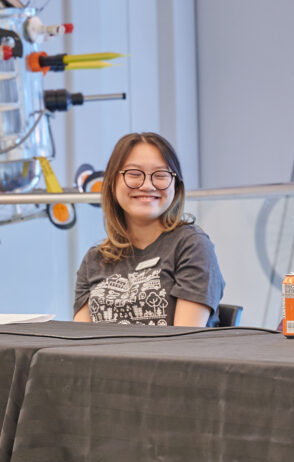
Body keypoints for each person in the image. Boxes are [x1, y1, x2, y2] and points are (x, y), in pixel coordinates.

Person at [74, 132, 224, 326]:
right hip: (102, 357)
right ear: (112, 183)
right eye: (134, 174)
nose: (147, 185)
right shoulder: (94, 260)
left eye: (161, 175)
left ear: (175, 186)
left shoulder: (192, 245)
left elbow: (184, 343)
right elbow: (80, 344)